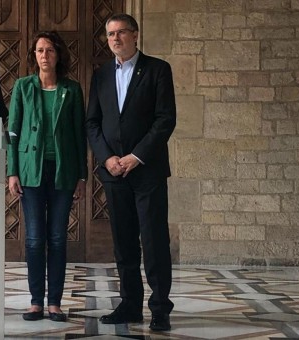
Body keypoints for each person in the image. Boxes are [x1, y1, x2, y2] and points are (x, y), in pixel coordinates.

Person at [85, 13, 176, 332]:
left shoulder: (158, 70)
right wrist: (108, 157)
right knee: (123, 243)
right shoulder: (101, 75)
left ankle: (160, 307)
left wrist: (135, 157)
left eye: (121, 32)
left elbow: (165, 120)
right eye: (110, 34)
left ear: (135, 35)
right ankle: (130, 305)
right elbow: (92, 123)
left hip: (147, 171)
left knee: (154, 241)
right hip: (113, 172)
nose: (115, 39)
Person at [7, 31, 87, 323]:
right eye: (39, 51)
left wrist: (82, 175)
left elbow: (80, 135)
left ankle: (54, 302)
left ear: (58, 55)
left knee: (56, 238)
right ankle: (35, 301)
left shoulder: (72, 89)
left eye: (50, 50)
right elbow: (12, 131)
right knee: (34, 238)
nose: (44, 56)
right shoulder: (23, 87)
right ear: (34, 56)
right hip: (30, 171)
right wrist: (12, 170)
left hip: (62, 171)